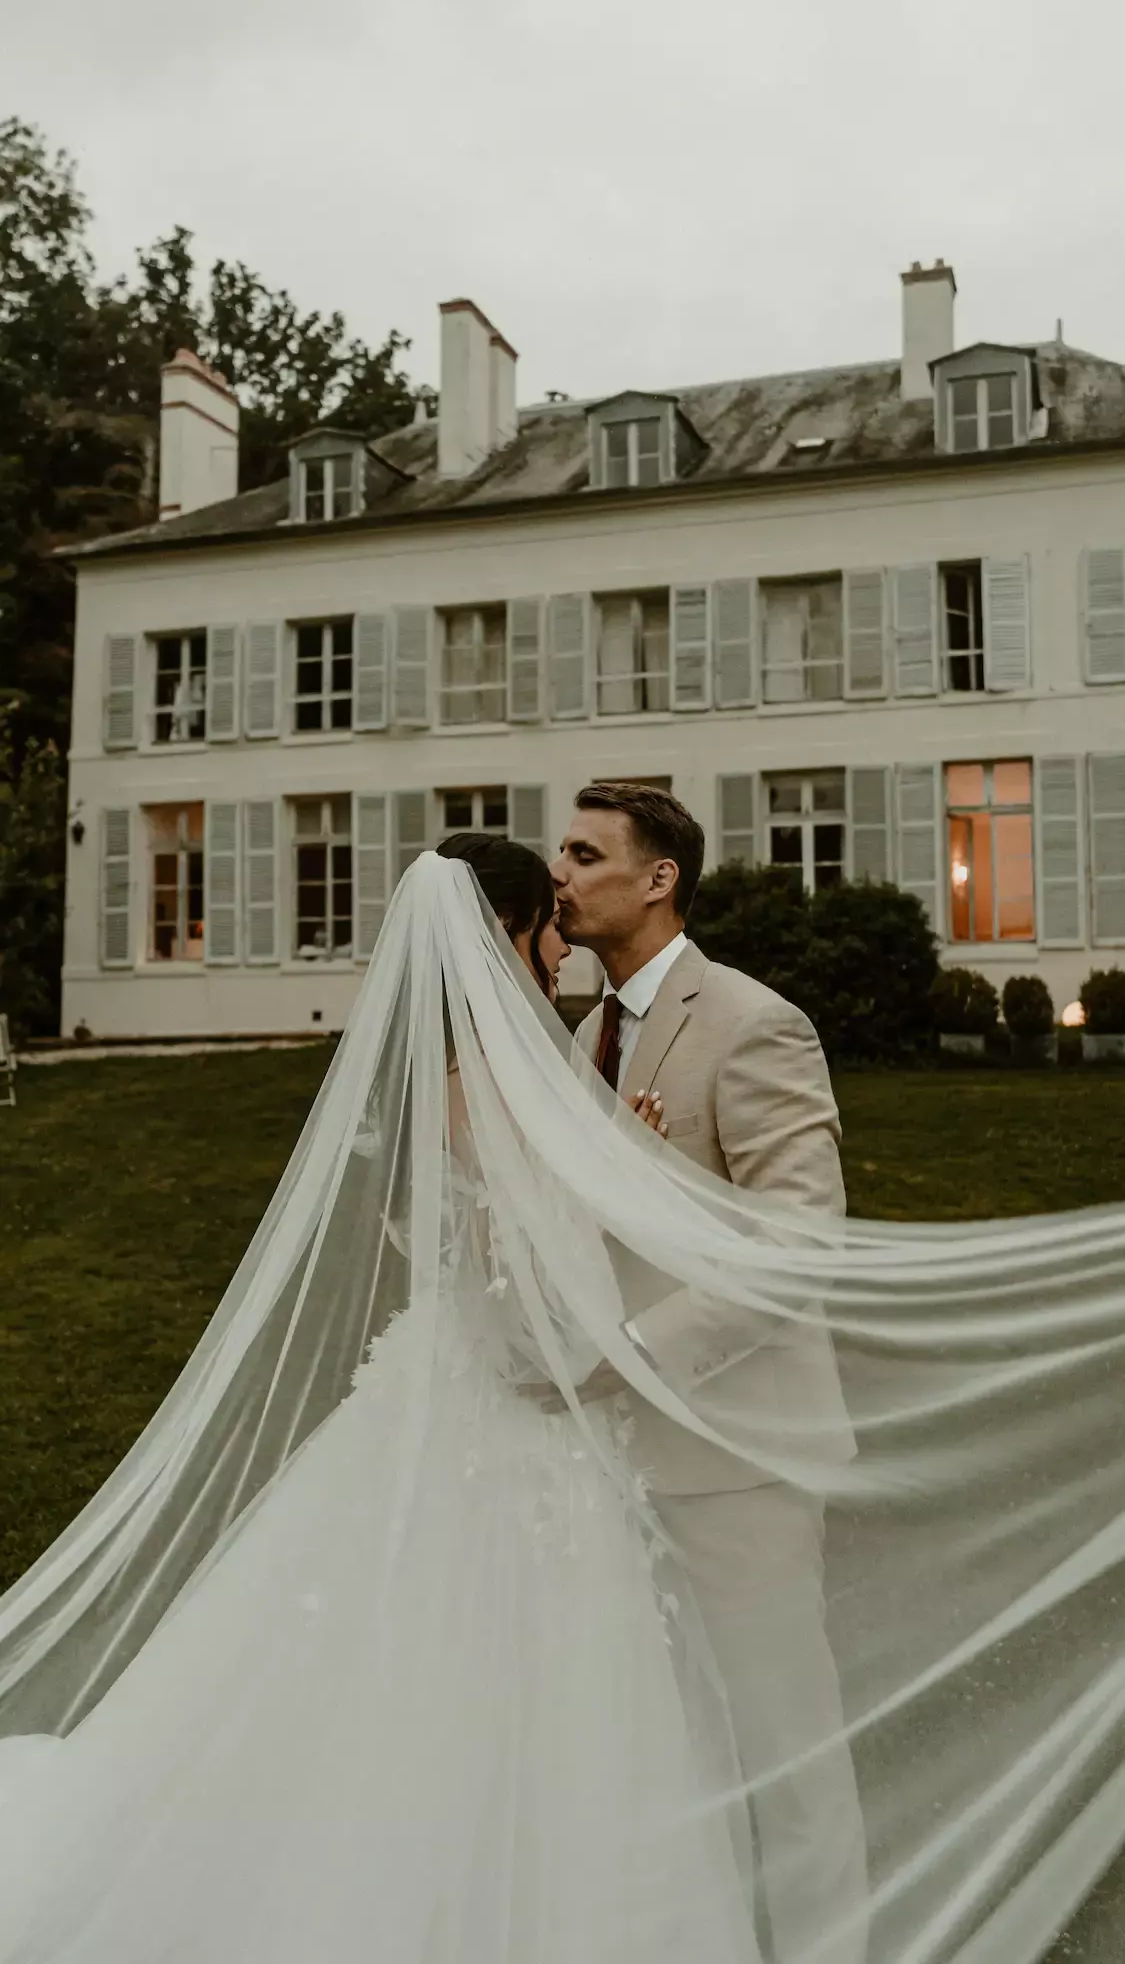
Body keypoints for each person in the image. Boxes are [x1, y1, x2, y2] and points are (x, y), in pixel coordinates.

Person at [0, 838, 760, 1964]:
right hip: (514, 1416)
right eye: (547, 918)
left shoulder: (431, 1070)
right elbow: (532, 1274)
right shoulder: (502, 1075)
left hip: (433, 1384)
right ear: (509, 932)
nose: (560, 942)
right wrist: (626, 1175)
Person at [551, 783, 868, 1964]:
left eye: (585, 852)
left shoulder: (751, 1021)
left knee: (787, 1747)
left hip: (738, 1453)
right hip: (618, 1461)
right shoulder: (586, 1038)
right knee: (675, 1740)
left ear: (658, 877)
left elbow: (800, 1247)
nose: (562, 872)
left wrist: (627, 1354)